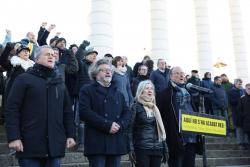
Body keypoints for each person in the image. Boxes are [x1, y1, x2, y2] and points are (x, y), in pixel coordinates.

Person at [5, 45, 76, 167]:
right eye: (47, 54)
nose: (51, 56)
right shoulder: (23, 79)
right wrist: (13, 137)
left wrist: (71, 134)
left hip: (54, 148)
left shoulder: (59, 83)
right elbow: (12, 109)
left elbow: (67, 112)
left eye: (53, 55)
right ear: (36, 58)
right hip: (29, 146)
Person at [79, 59, 131, 167]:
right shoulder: (87, 90)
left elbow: (127, 113)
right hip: (97, 142)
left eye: (110, 70)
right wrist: (107, 124)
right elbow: (84, 112)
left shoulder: (118, 93)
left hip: (115, 141)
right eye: (104, 70)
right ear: (95, 73)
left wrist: (120, 125)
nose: (108, 72)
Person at [157, 66, 201, 167]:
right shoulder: (164, 94)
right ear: (171, 76)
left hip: (191, 138)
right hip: (175, 139)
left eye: (182, 73)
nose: (181, 75)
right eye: (177, 73)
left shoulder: (188, 93)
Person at [129, 80, 168, 167]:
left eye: (151, 89)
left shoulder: (155, 108)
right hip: (142, 148)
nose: (150, 90)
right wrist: (130, 148)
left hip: (158, 148)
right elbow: (129, 129)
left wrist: (165, 148)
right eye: (147, 88)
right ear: (141, 91)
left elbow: (161, 130)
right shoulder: (135, 106)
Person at [229, 79, 248, 148]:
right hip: (236, 112)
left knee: (245, 128)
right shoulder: (231, 91)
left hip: (244, 112)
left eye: (241, 84)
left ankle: (246, 142)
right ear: (235, 84)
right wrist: (240, 98)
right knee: (239, 128)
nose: (240, 85)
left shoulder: (243, 90)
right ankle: (240, 143)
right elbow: (231, 102)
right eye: (239, 84)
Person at [238, 83, 250, 150]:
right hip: (247, 122)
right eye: (248, 89)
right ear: (245, 89)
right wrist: (244, 116)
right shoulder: (242, 99)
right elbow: (239, 110)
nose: (249, 90)